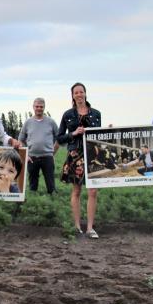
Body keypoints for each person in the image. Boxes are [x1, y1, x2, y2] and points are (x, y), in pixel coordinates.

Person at [56, 82, 102, 238]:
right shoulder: (68, 115)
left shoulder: (96, 114)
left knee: (93, 191)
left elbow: (99, 135)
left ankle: (90, 228)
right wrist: (73, 133)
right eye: (76, 92)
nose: (79, 94)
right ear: (72, 95)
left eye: (81, 92)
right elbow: (60, 137)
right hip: (75, 155)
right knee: (76, 190)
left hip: (92, 155)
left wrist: (108, 129)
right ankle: (77, 227)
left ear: (85, 94)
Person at [18, 97, 59, 194]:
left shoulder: (51, 122)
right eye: (37, 106)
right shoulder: (28, 122)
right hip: (32, 158)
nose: (39, 108)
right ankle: (33, 202)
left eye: (41, 106)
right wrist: (26, 155)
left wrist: (53, 152)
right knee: (32, 186)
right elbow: (20, 140)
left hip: (47, 157)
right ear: (33, 107)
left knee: (51, 185)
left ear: (44, 107)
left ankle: (52, 203)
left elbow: (59, 138)